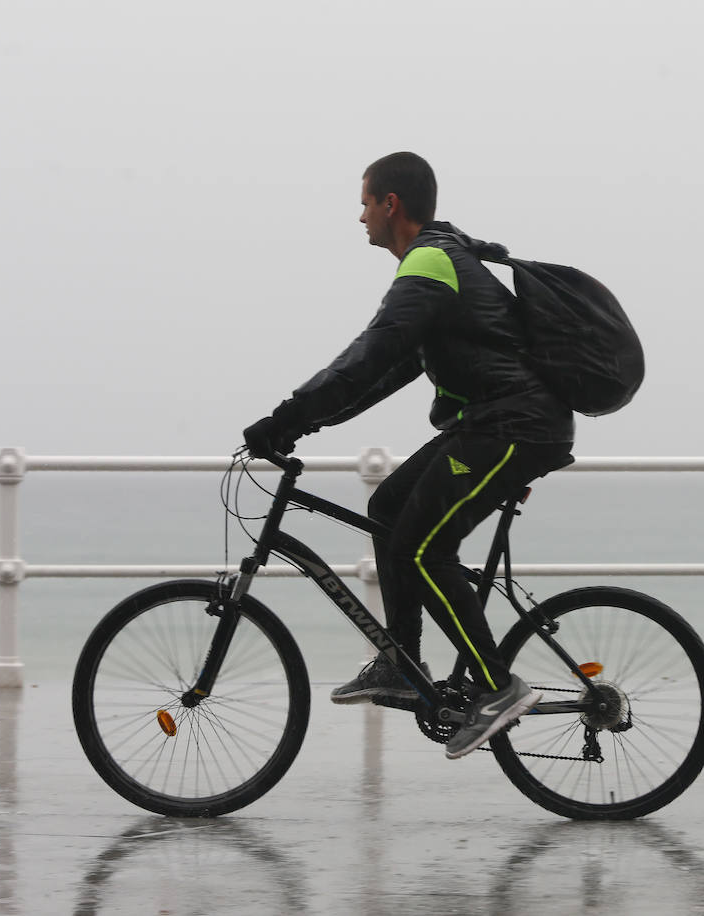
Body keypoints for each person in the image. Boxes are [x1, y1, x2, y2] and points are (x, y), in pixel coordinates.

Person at [243, 152, 574, 760]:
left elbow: (368, 354)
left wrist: (286, 417)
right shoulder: (439, 264)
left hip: (512, 426)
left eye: (365, 201)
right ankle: (401, 661)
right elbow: (383, 375)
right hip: (496, 424)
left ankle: (498, 688)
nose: (360, 214)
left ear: (390, 204)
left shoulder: (431, 261)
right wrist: (300, 427)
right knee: (390, 505)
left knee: (421, 550)